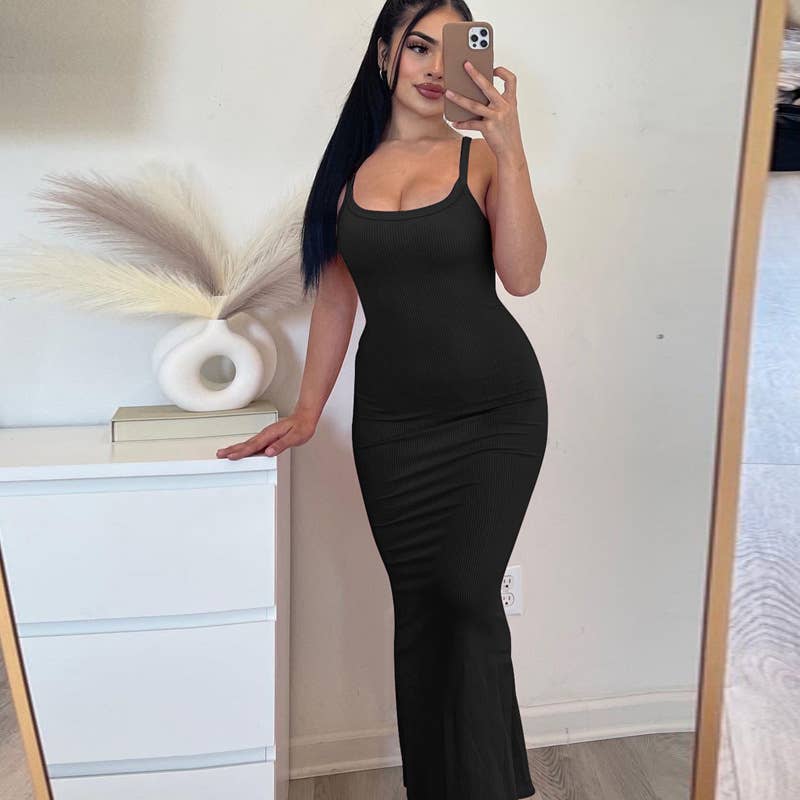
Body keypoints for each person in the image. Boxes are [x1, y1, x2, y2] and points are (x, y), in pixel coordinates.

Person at [217, 2, 548, 797]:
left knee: (466, 592)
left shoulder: (481, 160)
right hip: (394, 429)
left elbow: (524, 275)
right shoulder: (344, 178)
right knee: (424, 607)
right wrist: (306, 410)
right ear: (383, 56)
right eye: (417, 47)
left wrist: (512, 148)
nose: (433, 67)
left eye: (449, 49)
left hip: (497, 412)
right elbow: (337, 301)